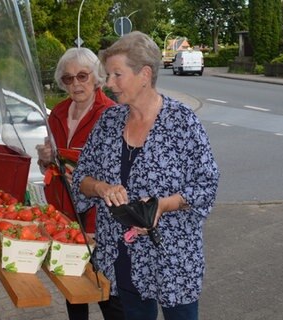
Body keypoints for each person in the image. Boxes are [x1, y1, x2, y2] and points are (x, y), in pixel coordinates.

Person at [71, 31, 220, 320]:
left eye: (117, 74)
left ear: (145, 74)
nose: (109, 84)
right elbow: (81, 179)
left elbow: (206, 185)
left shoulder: (181, 121)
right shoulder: (109, 121)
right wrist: (102, 188)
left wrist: (162, 205)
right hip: (123, 256)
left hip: (173, 257)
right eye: (108, 75)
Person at [35, 47, 124, 320]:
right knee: (71, 287)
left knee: (106, 292)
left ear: (96, 77)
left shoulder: (112, 114)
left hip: (98, 219)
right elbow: (48, 163)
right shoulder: (58, 112)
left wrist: (87, 179)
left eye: (82, 76)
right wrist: (45, 158)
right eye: (68, 79)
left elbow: (122, 172)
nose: (75, 84)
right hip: (64, 214)